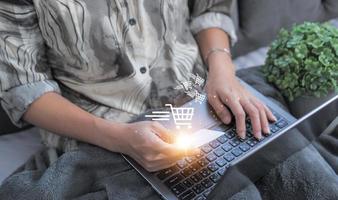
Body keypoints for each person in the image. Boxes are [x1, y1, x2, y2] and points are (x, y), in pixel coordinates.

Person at [1, 1, 337, 200]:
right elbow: (24, 86)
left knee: (308, 176)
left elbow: (210, 6)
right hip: (106, 125)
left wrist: (223, 70)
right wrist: (118, 139)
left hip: (199, 92)